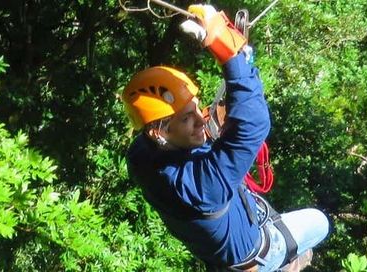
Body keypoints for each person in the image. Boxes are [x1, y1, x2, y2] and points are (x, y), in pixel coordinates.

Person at [122, 5, 329, 272]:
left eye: (196, 108)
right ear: (158, 132)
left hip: (222, 255)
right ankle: (285, 266)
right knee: (319, 222)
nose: (200, 120)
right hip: (258, 254)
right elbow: (254, 124)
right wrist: (229, 52)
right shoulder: (201, 186)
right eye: (186, 119)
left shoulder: (140, 155)